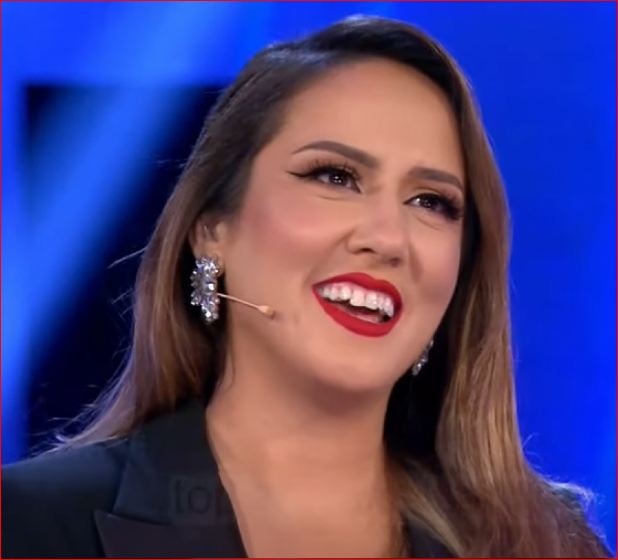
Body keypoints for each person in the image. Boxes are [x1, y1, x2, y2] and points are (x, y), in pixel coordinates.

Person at [2, 15, 611, 559]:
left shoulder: (547, 543)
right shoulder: (31, 524)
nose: (388, 238)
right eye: (334, 176)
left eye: (432, 201)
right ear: (212, 231)